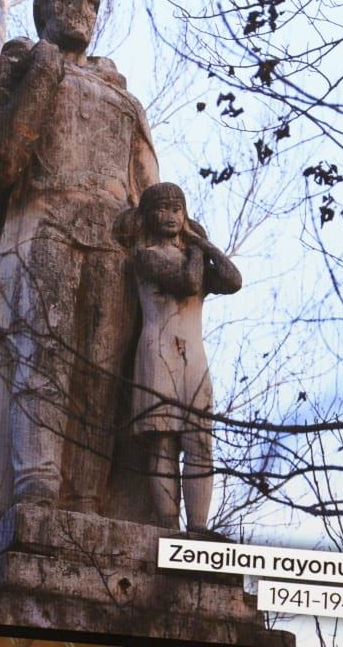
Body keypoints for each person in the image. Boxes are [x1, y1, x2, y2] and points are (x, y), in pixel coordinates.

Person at [0, 0, 159, 545]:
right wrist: (44, 67)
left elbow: (150, 193)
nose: (83, 5)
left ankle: (90, 501)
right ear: (44, 4)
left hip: (113, 244)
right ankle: (35, 486)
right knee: (42, 358)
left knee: (103, 375)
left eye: (93, 0)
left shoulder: (122, 97)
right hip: (43, 226)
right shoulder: (11, 68)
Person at [120, 182, 241, 530]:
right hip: (158, 353)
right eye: (162, 208)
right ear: (148, 215)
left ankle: (200, 529)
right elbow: (189, 283)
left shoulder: (196, 258)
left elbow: (233, 280)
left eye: (177, 208)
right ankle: (169, 527)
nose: (170, 216)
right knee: (164, 444)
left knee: (200, 441)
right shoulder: (148, 256)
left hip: (194, 358)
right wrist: (198, 252)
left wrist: (205, 245)